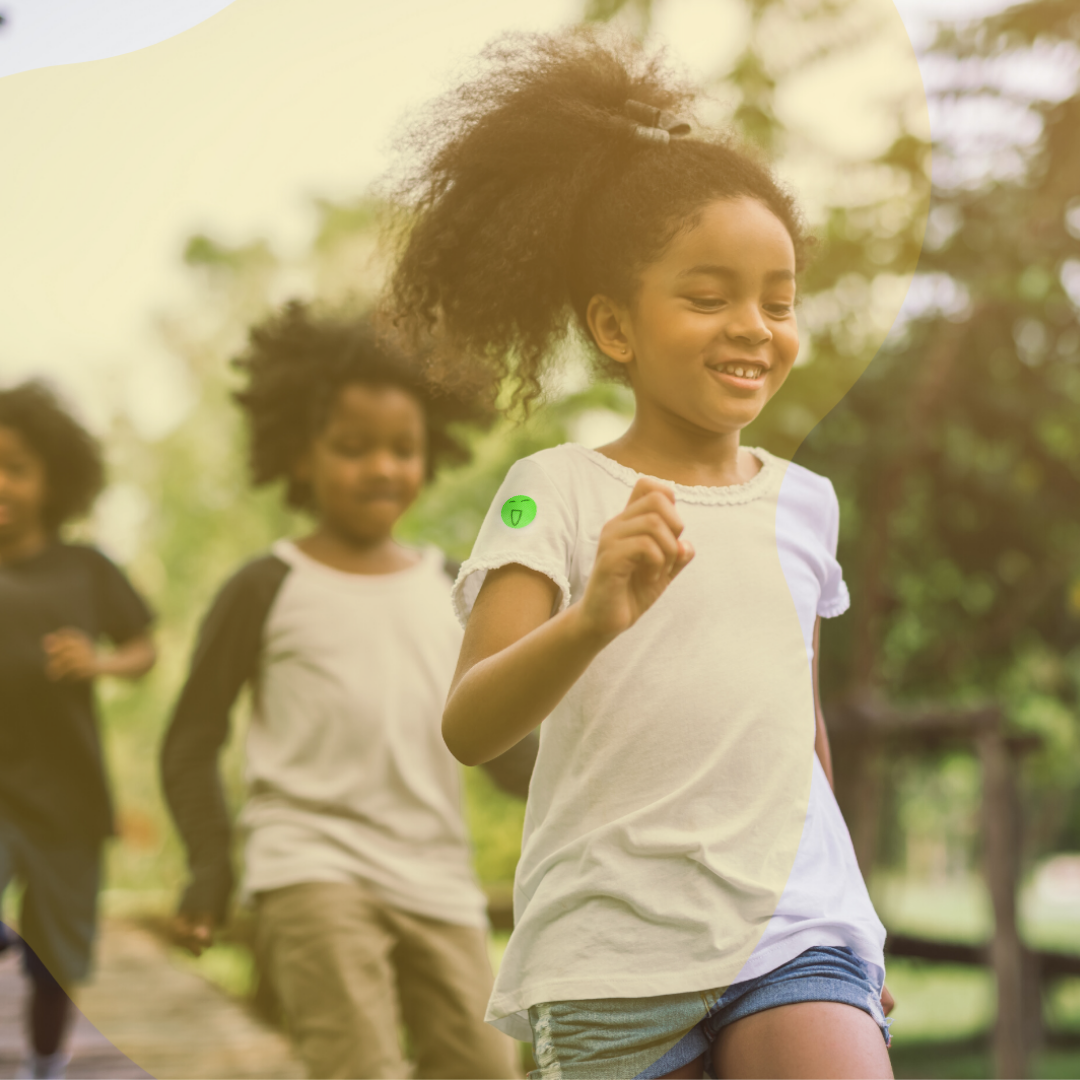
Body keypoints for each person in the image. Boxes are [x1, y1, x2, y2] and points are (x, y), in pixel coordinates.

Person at [385, 29, 895, 1080]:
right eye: (708, 297)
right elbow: (472, 724)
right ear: (615, 326)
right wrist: (592, 618)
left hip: (792, 933)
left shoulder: (807, 505)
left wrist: (852, 915)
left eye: (779, 299)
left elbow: (798, 733)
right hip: (613, 955)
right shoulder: (556, 493)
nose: (752, 327)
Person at [160, 303, 529, 1080]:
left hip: (436, 872)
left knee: (489, 1067)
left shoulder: (454, 587)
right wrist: (209, 865)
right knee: (356, 1065)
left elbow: (498, 746)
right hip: (310, 864)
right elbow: (191, 738)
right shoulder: (265, 586)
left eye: (403, 449)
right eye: (353, 448)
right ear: (300, 455)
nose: (382, 468)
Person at [0, 381, 156, 1080]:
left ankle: (43, 1063)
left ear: (54, 480)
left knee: (55, 957)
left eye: (15, 467)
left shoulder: (86, 568)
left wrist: (99, 662)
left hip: (67, 793)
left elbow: (145, 647)